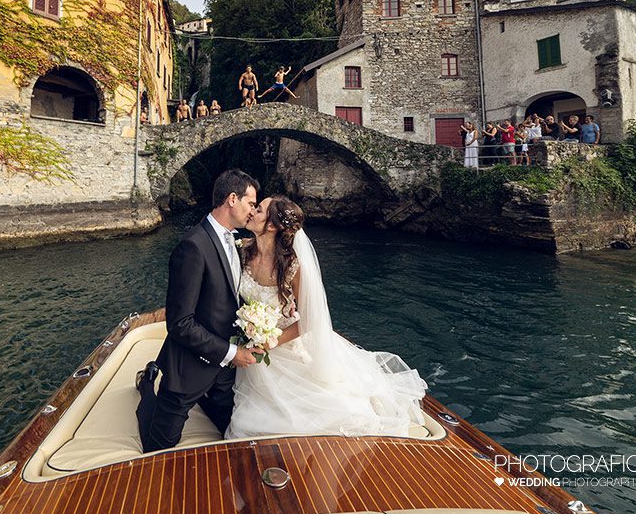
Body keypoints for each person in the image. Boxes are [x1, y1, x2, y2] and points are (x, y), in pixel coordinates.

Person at [225, 196, 428, 439]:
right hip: (251, 344)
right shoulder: (242, 250)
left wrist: (270, 342)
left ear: (271, 226)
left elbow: (309, 319)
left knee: (334, 410)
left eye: (258, 210)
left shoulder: (292, 266)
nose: (251, 212)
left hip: (282, 344)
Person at [136, 170, 262, 452]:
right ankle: (148, 388)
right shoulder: (193, 246)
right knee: (158, 447)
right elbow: (179, 323)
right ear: (232, 199)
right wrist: (232, 353)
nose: (253, 211)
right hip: (188, 368)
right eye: (251, 203)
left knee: (236, 435)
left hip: (224, 374)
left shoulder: (235, 241)